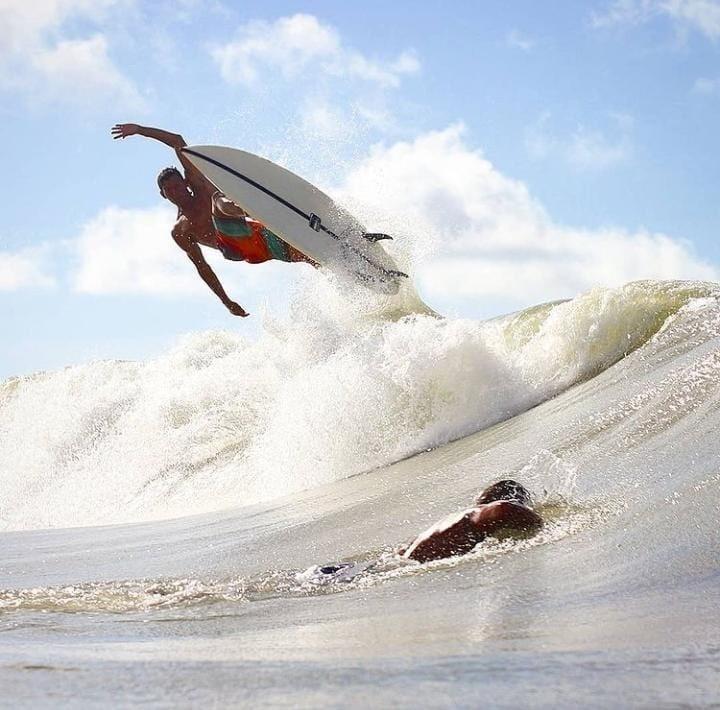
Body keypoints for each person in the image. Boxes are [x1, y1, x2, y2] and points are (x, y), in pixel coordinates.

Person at [111, 123, 314, 317]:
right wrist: (226, 301)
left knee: (307, 255)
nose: (175, 191)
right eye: (169, 190)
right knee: (217, 200)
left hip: (258, 239)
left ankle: (330, 264)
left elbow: (177, 141)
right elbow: (202, 267)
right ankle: (255, 210)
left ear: (186, 182)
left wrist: (139, 130)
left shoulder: (199, 183)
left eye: (177, 185)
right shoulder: (180, 230)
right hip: (237, 250)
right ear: (163, 195)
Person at [401, 479, 543, 563]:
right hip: (425, 563)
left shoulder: (457, 518)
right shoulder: (481, 512)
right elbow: (503, 507)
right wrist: (540, 524)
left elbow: (402, 553)